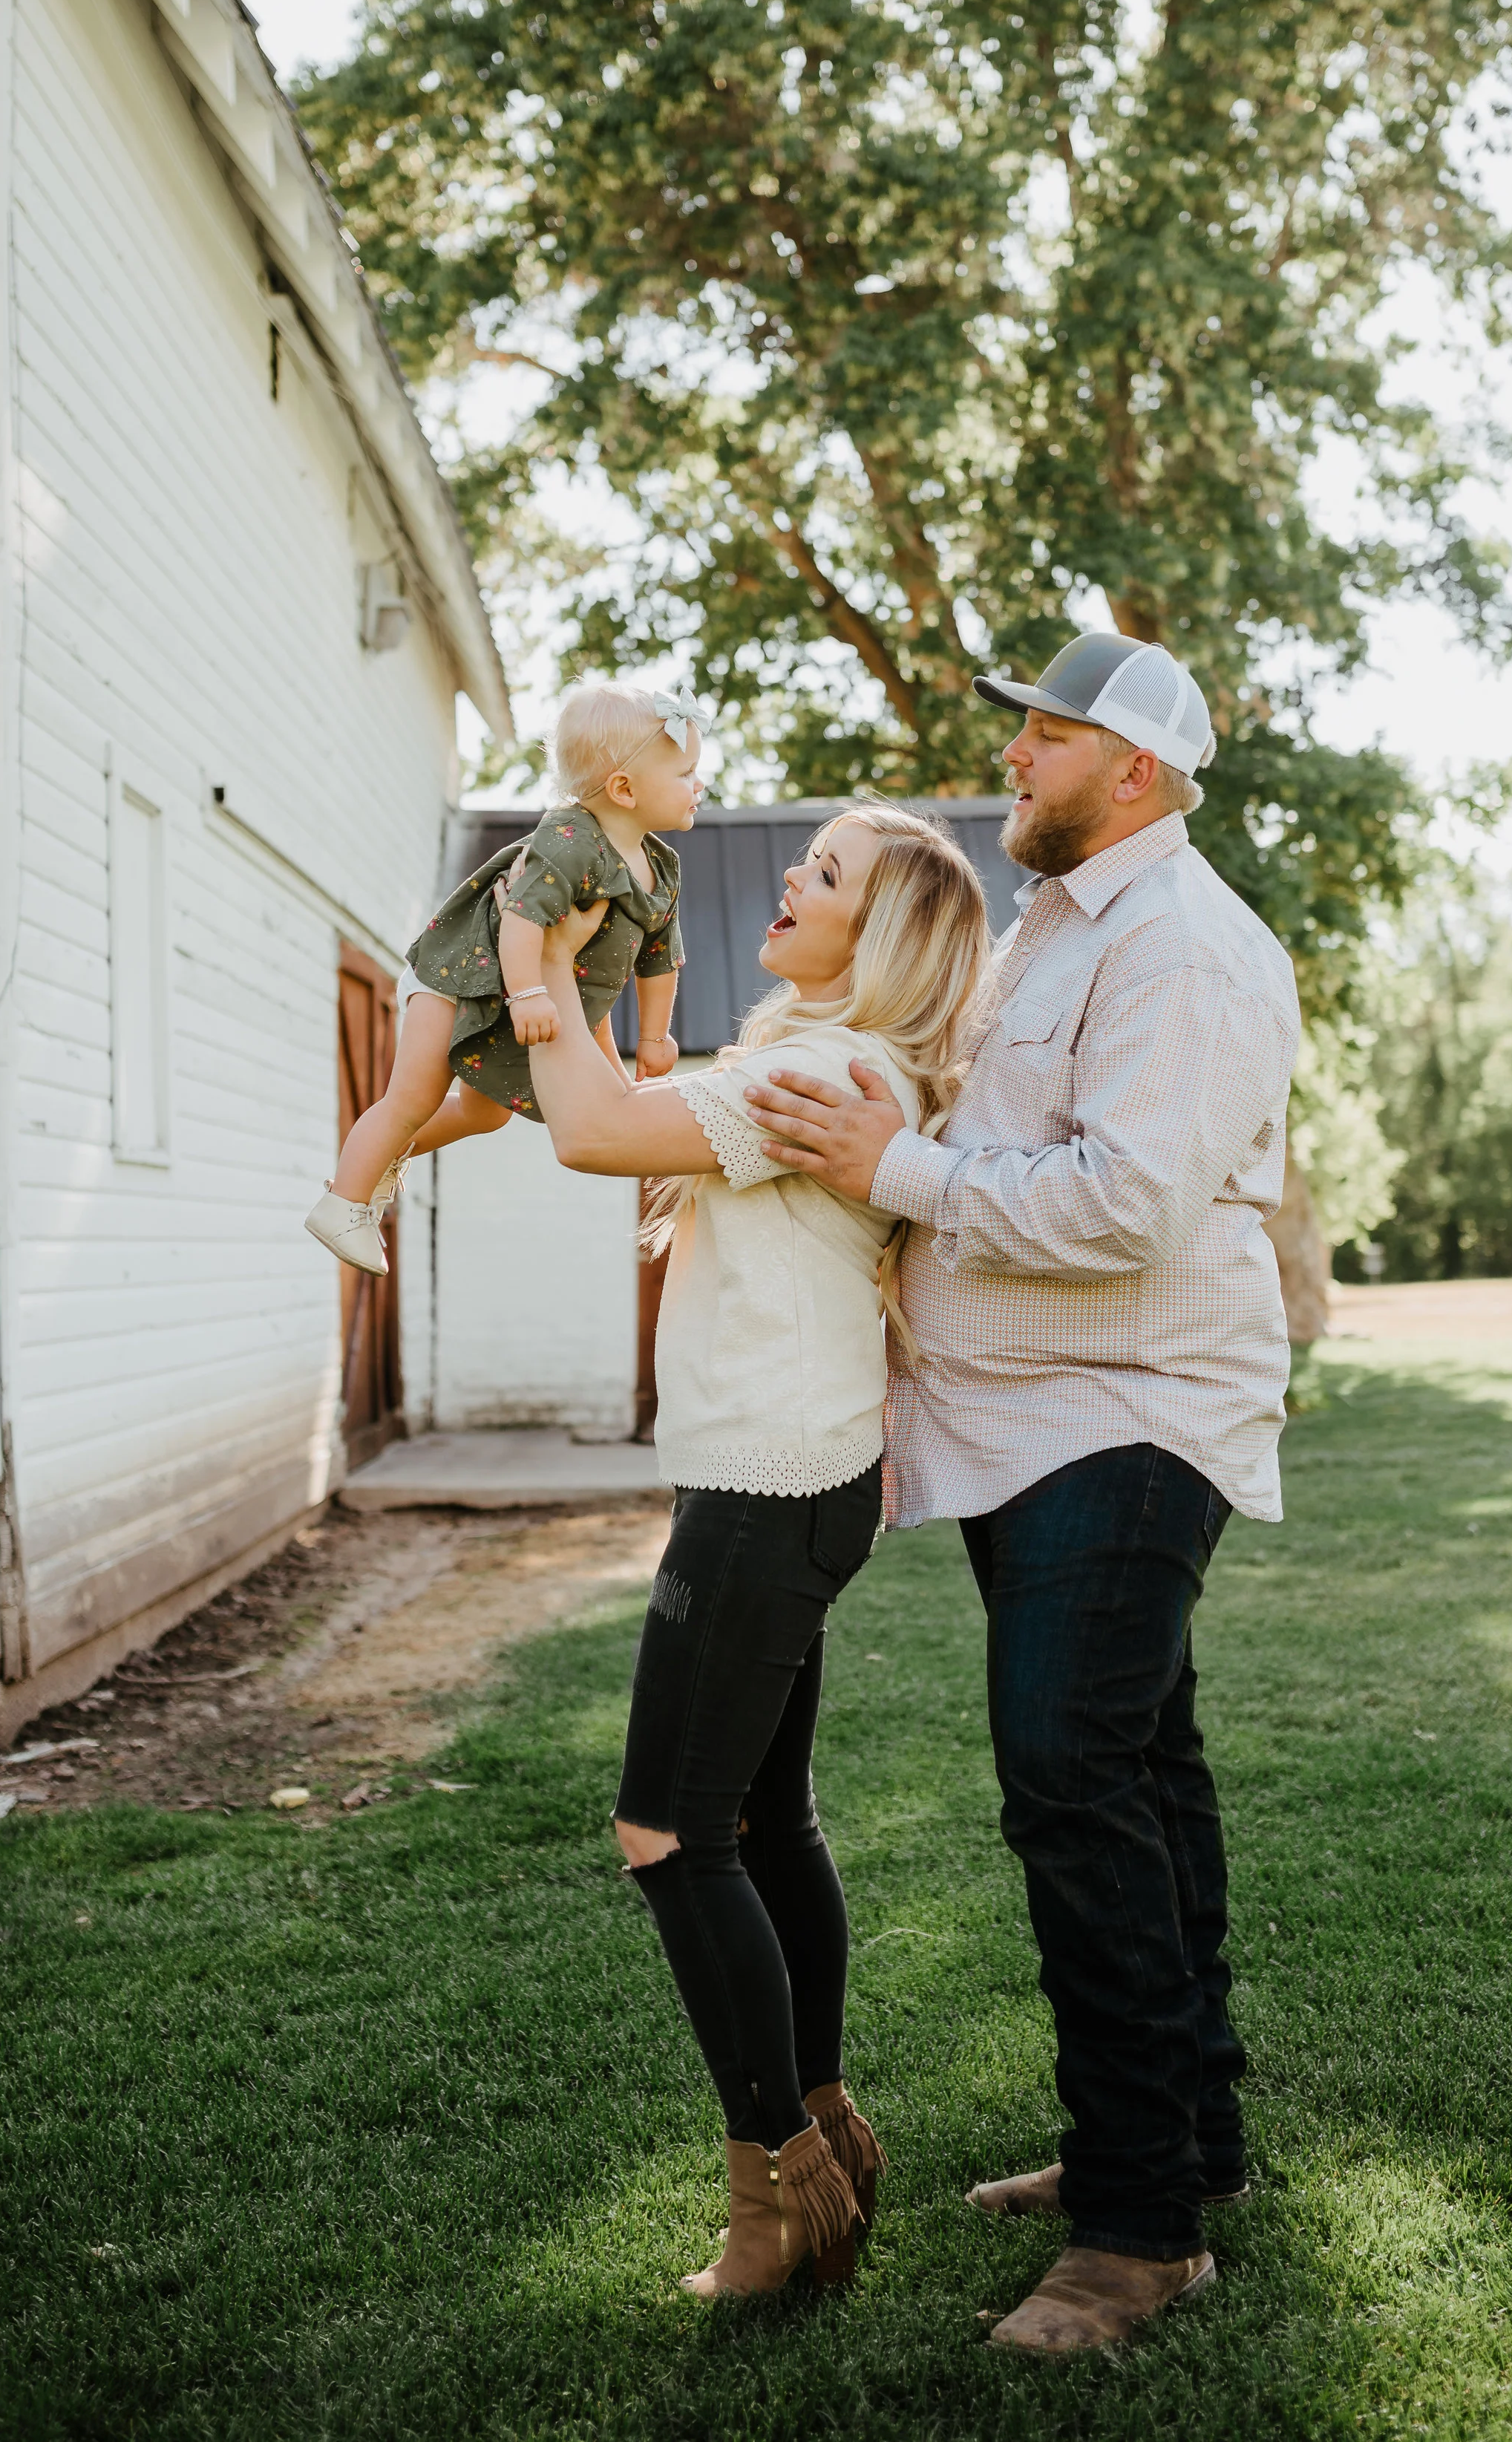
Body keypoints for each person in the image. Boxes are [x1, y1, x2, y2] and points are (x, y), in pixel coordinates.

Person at [743, 632, 1301, 2355]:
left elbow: (1127, 1206)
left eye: (1049, 741)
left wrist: (888, 1167)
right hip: (1025, 1425)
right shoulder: (1062, 927)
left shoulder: (1186, 949)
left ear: (1133, 774)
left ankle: (1139, 2239)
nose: (1018, 764)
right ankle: (1174, 2143)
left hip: (1127, 1421)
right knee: (1140, 1774)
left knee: (1072, 1780)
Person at [527, 803, 990, 2299]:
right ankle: (830, 2137)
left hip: (762, 1488)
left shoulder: (812, 1069)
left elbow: (595, 1130)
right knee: (760, 1822)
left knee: (665, 1831)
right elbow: (625, 1100)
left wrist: (536, 970)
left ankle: (777, 2199)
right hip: (802, 1478)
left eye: (828, 873)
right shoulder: (837, 1062)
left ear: (884, 937)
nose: (791, 876)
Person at [304, 683, 702, 1276]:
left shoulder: (661, 867)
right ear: (624, 788)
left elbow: (660, 958)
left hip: (524, 991)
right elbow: (520, 916)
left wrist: (654, 1037)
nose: (700, 784)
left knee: (486, 1113)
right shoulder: (569, 841)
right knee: (414, 1095)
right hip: (457, 974)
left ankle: (386, 1155)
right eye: (687, 772)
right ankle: (342, 1203)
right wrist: (530, 993)